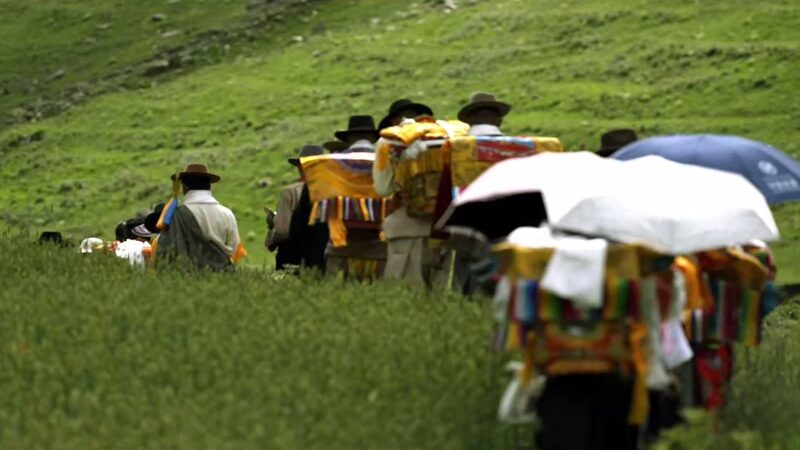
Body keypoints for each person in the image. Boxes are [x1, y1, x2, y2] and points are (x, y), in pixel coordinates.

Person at [374, 99, 452, 288]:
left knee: (406, 295)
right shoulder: (448, 135)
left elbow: (383, 189)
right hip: (444, 226)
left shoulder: (388, 141)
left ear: (393, 121)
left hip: (405, 227)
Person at [324, 115, 386, 279]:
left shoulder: (334, 162)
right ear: (373, 138)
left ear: (349, 138)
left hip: (341, 241)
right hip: (378, 243)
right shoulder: (385, 160)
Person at [156, 163, 246, 271]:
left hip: (189, 278)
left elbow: (167, 250)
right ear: (209, 185)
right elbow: (233, 247)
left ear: (185, 186)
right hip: (222, 276)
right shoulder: (227, 214)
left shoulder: (177, 215)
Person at [267, 144, 324, 270]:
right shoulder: (332, 191)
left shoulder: (291, 192)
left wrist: (272, 233)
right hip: (323, 259)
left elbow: (282, 232)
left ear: (301, 167)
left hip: (294, 257)